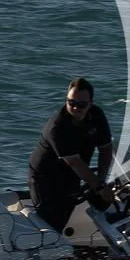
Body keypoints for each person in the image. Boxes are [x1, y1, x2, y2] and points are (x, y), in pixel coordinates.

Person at [28, 77, 116, 233]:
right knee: (52, 223)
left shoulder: (96, 115)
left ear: (91, 103)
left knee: (72, 208)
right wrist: (99, 186)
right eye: (71, 103)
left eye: (81, 104)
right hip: (47, 178)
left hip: (72, 175)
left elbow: (106, 148)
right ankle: (46, 252)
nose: (76, 108)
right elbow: (74, 162)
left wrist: (102, 179)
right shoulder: (58, 127)